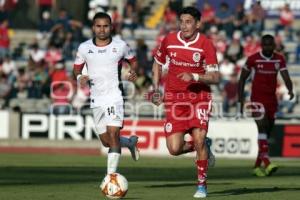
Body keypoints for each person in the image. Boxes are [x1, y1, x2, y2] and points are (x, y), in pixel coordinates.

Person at [151, 7, 219, 198]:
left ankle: (201, 185)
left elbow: (215, 77)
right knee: (174, 149)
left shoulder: (206, 44)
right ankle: (204, 145)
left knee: (197, 139)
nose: (184, 25)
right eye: (181, 21)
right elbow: (157, 62)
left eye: (189, 22)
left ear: (198, 24)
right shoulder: (169, 40)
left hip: (199, 99)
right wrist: (156, 90)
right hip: (174, 100)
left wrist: (195, 76)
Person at [73, 12, 140, 176]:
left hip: (115, 96)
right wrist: (80, 77)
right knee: (106, 141)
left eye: (105, 26)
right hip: (96, 99)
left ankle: (111, 177)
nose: (102, 30)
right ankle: (130, 143)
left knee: (113, 134)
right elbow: (76, 68)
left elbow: (133, 61)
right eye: (98, 26)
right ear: (93, 28)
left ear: (111, 27)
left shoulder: (121, 46)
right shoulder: (84, 47)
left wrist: (133, 71)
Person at [238, 34, 294, 177]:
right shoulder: (253, 59)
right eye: (266, 45)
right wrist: (240, 100)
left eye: (271, 45)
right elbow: (242, 79)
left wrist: (290, 89)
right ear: (262, 45)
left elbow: (285, 75)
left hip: (271, 101)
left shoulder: (279, 58)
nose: (268, 47)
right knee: (262, 127)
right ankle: (267, 163)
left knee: (265, 134)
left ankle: (257, 166)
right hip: (257, 99)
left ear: (274, 45)